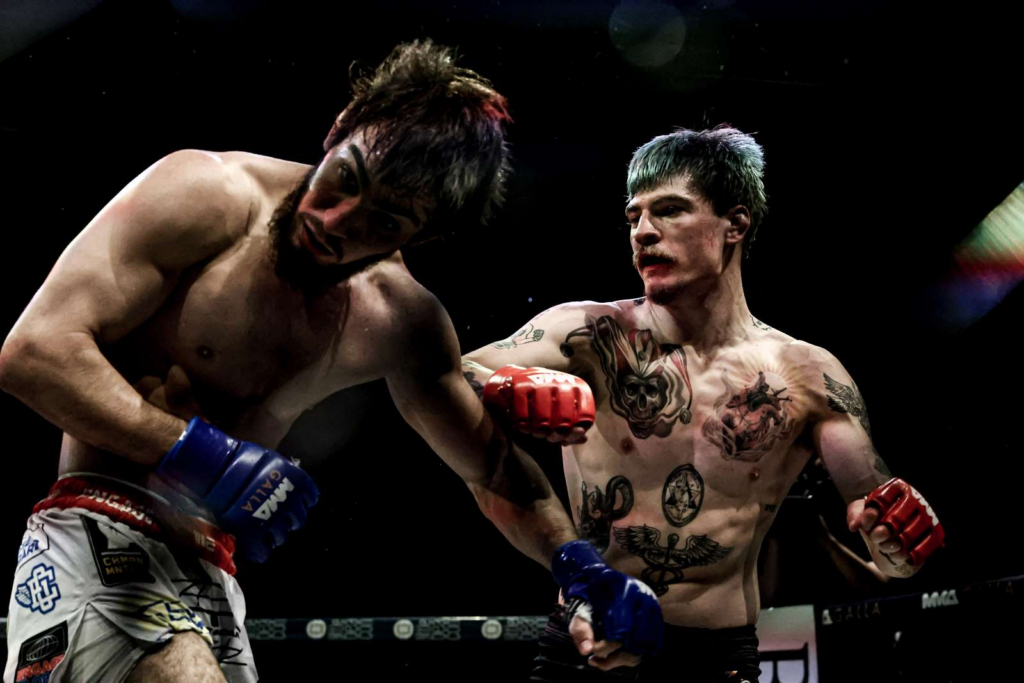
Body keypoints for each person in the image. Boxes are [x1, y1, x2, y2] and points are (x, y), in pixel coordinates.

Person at [0, 41, 661, 683]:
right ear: (339, 128)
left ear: (423, 235)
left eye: (384, 221)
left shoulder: (400, 319)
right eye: (346, 178)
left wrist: (582, 568)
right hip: (97, 527)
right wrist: (205, 456)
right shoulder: (206, 194)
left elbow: (493, 471)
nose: (338, 220)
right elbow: (34, 352)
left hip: (211, 568)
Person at [464, 126, 945, 682]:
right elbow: (450, 378)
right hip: (589, 640)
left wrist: (898, 548)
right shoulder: (589, 334)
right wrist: (501, 386)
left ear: (734, 224)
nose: (643, 232)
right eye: (634, 217)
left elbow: (885, 538)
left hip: (717, 660)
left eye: (669, 210)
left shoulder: (809, 376)